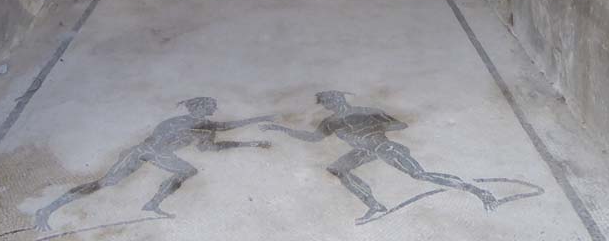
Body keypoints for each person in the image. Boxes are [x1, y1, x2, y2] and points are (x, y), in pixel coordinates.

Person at [34, 97, 271, 231]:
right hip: (144, 151)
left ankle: (152, 204)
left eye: (212, 108)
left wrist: (249, 143)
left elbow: (210, 146)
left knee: (188, 170)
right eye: (210, 107)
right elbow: (222, 127)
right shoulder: (183, 121)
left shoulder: (205, 128)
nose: (213, 110)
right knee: (105, 182)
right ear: (199, 108)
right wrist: (258, 120)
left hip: (158, 153)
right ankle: (47, 209)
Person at [263, 91, 499, 224]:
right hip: (365, 151)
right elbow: (313, 138)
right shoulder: (331, 122)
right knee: (338, 168)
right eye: (326, 103)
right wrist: (282, 130)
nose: (330, 105)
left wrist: (372, 127)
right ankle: (374, 205)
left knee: (419, 174)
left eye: (331, 100)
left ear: (341, 99)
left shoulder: (367, 111)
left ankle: (478, 191)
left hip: (383, 146)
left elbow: (400, 125)